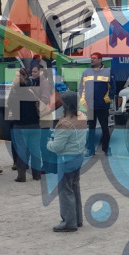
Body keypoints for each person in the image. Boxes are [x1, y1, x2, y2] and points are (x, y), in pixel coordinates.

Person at [48, 91, 88, 232]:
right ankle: (77, 219)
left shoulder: (64, 123)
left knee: (65, 191)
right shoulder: (82, 116)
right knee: (74, 187)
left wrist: (48, 143)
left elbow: (58, 147)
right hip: (78, 155)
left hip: (66, 158)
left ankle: (68, 222)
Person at [8, 69, 42, 182]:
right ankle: (36, 174)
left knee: (21, 151)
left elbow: (10, 108)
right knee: (36, 150)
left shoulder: (13, 96)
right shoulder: (31, 92)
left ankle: (21, 176)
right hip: (34, 125)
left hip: (20, 126)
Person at [79, 52, 114, 157]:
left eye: (94, 58)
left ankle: (106, 149)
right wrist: (84, 102)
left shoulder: (107, 71)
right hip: (90, 106)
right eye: (91, 58)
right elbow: (81, 88)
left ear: (100, 60)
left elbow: (113, 88)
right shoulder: (86, 72)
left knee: (104, 128)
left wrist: (105, 100)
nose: (92, 60)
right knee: (91, 128)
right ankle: (90, 149)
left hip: (102, 106)